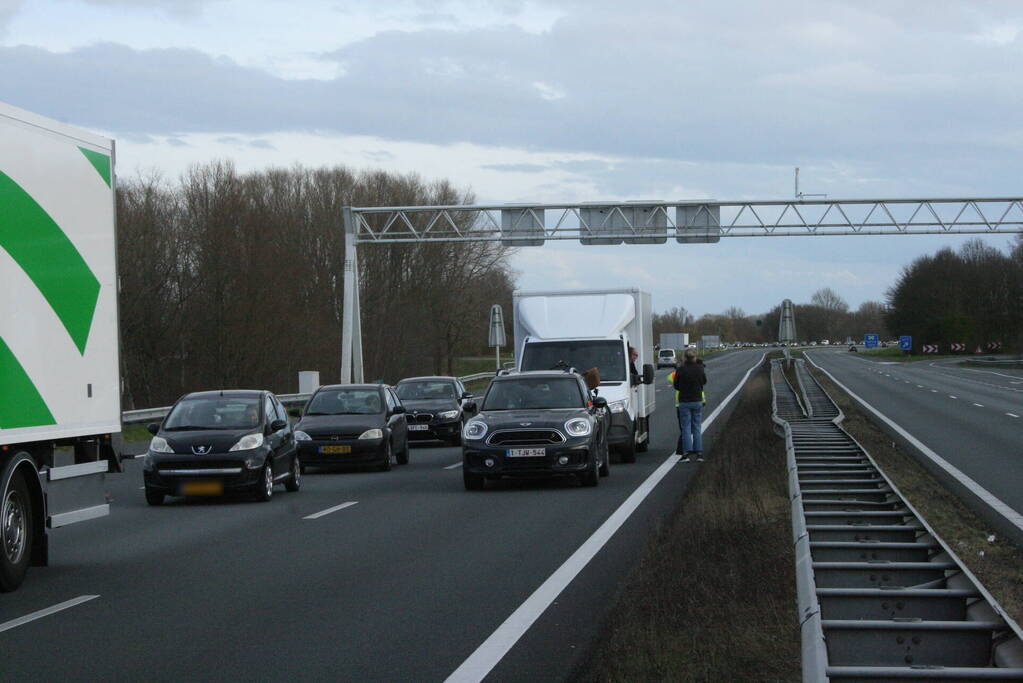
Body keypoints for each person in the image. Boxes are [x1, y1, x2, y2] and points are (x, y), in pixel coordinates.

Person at [668, 349, 707, 462]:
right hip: (697, 400)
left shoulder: (681, 369)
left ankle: (686, 453)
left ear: (685, 358)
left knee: (686, 427)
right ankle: (699, 452)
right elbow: (704, 382)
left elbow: (676, 385)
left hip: (684, 401)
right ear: (695, 357)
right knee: (697, 427)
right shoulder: (700, 369)